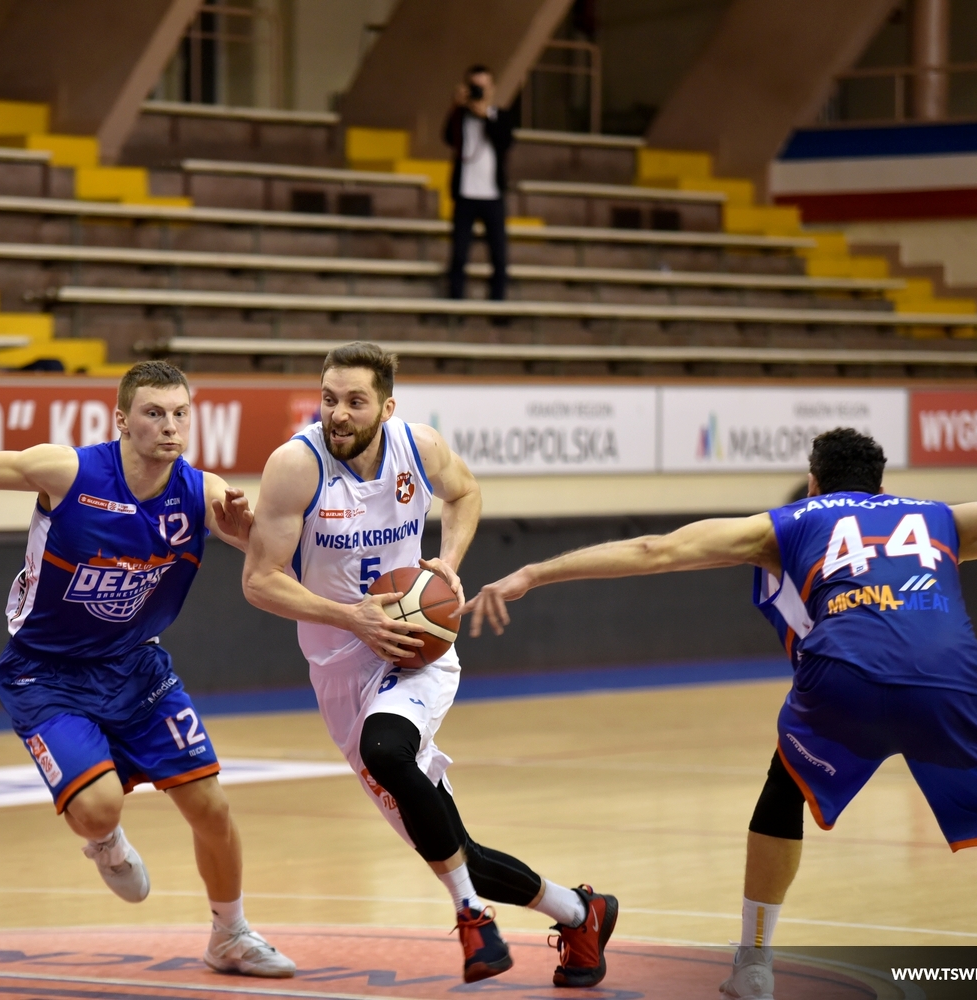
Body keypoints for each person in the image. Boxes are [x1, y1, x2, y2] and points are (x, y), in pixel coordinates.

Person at [461, 428, 977, 999]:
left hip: (841, 683)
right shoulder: (938, 518)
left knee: (782, 793)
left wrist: (533, 574)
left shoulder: (788, 524)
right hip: (952, 684)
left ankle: (754, 965)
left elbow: (656, 549)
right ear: (883, 486)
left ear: (814, 483)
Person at [0, 360, 295, 979]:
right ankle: (105, 842)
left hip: (136, 668)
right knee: (99, 808)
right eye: (153, 413)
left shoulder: (202, 493)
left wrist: (249, 538)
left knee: (211, 806)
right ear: (122, 420)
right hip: (46, 673)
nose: (170, 426)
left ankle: (230, 936)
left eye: (180, 413)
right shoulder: (67, 472)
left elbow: (271, 555)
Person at [241, 341, 617, 986]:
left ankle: (471, 916)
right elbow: (259, 580)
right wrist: (351, 617)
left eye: (355, 401)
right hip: (339, 666)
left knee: (385, 749)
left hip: (418, 653)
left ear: (387, 408)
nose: (338, 413)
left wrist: (449, 561)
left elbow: (464, 493)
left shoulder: (419, 448)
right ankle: (582, 912)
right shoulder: (295, 466)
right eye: (329, 399)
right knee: (448, 845)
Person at [444, 64, 515, 302]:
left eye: (482, 87)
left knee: (499, 255)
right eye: (474, 87)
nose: (479, 92)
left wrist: (485, 115)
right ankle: (455, 303)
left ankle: (498, 304)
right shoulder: (461, 117)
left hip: (492, 195)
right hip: (465, 194)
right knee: (459, 253)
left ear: (492, 88)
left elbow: (505, 142)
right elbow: (448, 138)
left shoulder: (500, 116)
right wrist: (455, 107)